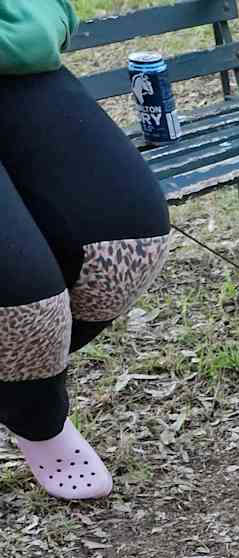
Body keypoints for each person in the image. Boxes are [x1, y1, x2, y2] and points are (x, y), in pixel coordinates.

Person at [0, 1, 171, 499]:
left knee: (127, 245)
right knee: (22, 300)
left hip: (16, 55)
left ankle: (18, 381)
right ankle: (38, 417)